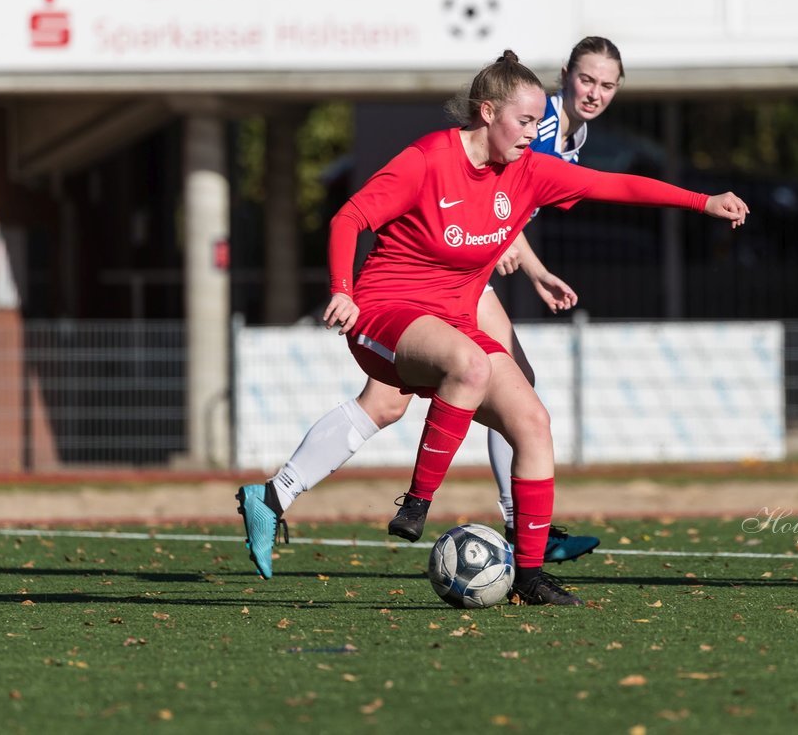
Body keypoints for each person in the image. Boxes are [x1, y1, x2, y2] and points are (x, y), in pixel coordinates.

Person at [247, 50, 748, 605]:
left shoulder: (528, 170)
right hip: (385, 310)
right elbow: (350, 218)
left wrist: (704, 201)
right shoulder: (428, 158)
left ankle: (530, 576)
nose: (534, 134)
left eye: (538, 123)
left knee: (531, 419)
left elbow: (617, 186)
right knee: (468, 365)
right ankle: (415, 503)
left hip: (455, 312)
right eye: (526, 122)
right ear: (487, 113)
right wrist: (341, 288)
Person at [237, 38, 625, 578]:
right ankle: (511, 521)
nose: (595, 93)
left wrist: (533, 269)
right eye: (587, 79)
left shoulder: (568, 134)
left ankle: (274, 496)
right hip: (442, 272)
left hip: (464, 265)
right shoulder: (536, 120)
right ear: (566, 75)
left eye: (608, 85)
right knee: (487, 377)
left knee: (399, 400)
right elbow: (492, 193)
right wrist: (345, 287)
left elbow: (511, 207)